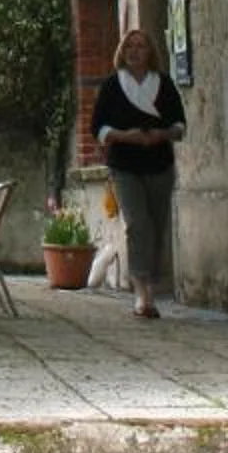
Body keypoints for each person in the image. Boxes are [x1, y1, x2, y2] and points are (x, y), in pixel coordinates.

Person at [90, 26, 186, 320]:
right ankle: (142, 292)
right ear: (122, 51)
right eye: (129, 46)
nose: (134, 51)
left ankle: (152, 284)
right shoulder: (112, 86)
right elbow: (98, 127)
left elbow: (179, 125)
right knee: (137, 224)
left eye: (140, 46)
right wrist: (124, 136)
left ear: (150, 52)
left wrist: (160, 134)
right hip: (125, 166)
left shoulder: (164, 85)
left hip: (159, 164)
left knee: (156, 226)